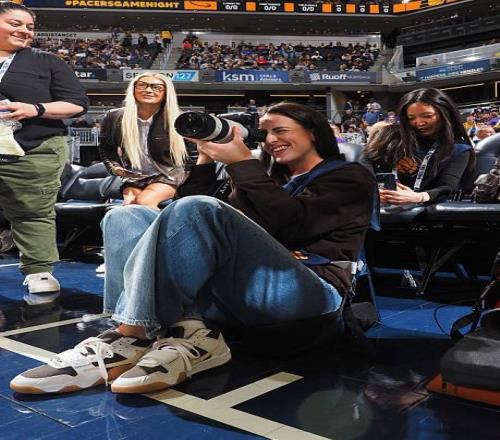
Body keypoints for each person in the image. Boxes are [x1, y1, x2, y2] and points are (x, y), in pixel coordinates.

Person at [10, 102, 376, 395]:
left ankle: (133, 335)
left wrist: (243, 164)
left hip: (310, 298)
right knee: (126, 217)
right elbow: (183, 209)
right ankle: (163, 336)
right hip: (242, 293)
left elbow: (293, 226)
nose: (269, 140)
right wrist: (206, 159)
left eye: (280, 130)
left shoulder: (348, 175)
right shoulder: (260, 178)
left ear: (313, 132)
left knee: (199, 209)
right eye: (264, 133)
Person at [0, 2, 89, 304]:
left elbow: (77, 104)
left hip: (33, 148)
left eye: (29, 27)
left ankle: (38, 269)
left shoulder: (47, 61)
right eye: (15, 24)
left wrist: (34, 108)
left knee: (32, 211)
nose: (25, 31)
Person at [362, 88, 474, 206]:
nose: (419, 123)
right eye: (411, 118)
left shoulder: (458, 149)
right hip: (377, 206)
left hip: (423, 210)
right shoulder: (390, 134)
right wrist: (371, 188)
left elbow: (446, 187)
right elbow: (365, 159)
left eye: (427, 116)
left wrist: (419, 197)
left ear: (444, 114)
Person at [99, 73, 189, 209]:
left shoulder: (180, 118)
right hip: (135, 176)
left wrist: (183, 177)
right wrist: (116, 168)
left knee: (143, 202)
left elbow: (191, 156)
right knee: (130, 206)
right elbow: (107, 149)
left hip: (168, 174)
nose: (148, 90)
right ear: (133, 89)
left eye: (156, 87)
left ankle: (166, 224)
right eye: (142, 85)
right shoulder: (114, 116)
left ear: (166, 92)